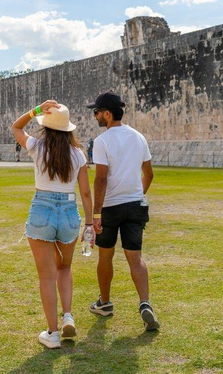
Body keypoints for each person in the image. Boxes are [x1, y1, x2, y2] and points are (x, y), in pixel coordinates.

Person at [11, 100, 93, 349]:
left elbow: (16, 128)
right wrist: (90, 225)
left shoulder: (38, 147)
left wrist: (36, 110)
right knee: (64, 268)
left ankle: (53, 332)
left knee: (46, 277)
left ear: (47, 126)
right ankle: (68, 314)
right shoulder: (78, 154)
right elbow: (86, 193)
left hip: (42, 208)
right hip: (69, 210)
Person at [86, 91, 159, 331]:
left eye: (96, 112)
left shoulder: (103, 141)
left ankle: (105, 303)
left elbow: (101, 180)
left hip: (110, 207)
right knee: (135, 257)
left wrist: (96, 215)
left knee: (105, 256)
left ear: (107, 114)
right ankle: (145, 303)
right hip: (135, 205)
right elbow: (148, 174)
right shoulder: (139, 137)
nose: (95, 116)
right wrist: (139, 195)